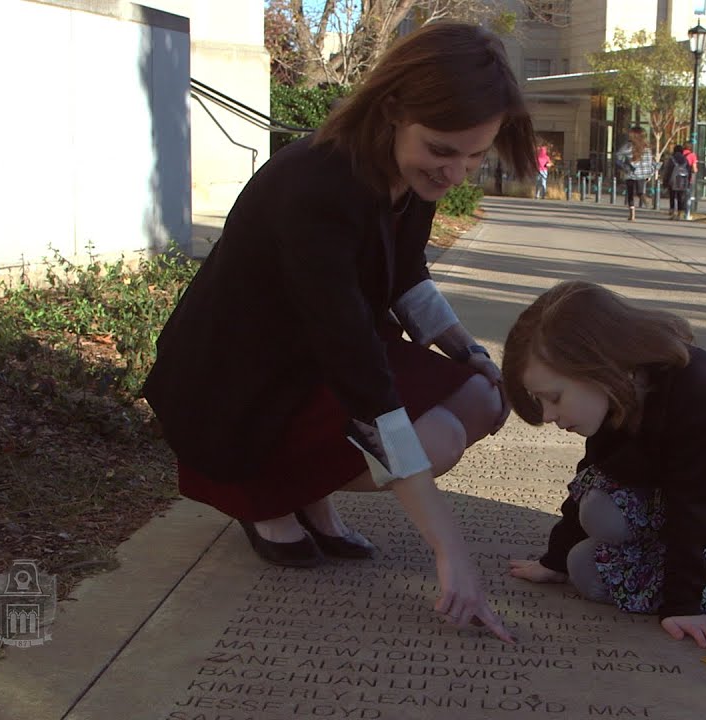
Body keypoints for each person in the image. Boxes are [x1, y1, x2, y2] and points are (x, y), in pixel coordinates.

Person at [142, 23, 537, 642]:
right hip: (237, 386)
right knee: (430, 437)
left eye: (474, 155)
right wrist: (449, 552)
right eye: (443, 150)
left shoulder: (409, 170)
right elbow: (362, 381)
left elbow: (406, 276)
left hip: (317, 357)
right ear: (392, 111)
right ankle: (263, 491)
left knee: (483, 397)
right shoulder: (318, 186)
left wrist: (472, 352)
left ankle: (307, 489)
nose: (457, 172)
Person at [501, 281, 706, 650]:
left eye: (554, 398)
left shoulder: (703, 397)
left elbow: (695, 509)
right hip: (668, 494)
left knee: (588, 569)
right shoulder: (618, 389)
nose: (549, 416)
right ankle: (632, 553)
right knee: (592, 519)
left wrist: (682, 606)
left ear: (598, 367)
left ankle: (662, 568)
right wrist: (554, 560)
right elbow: (592, 473)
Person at [614, 126, 655, 222]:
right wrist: (650, 173)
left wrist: (623, 166)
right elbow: (649, 162)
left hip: (630, 172)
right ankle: (644, 197)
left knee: (630, 193)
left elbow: (618, 156)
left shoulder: (628, 146)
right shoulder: (647, 147)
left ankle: (632, 214)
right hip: (642, 173)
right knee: (640, 191)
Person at [660, 144, 692, 220]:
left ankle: (672, 212)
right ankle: (679, 214)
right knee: (680, 197)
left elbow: (667, 170)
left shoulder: (671, 159)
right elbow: (689, 170)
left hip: (672, 180)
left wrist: (665, 181)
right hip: (682, 181)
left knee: (672, 196)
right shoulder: (685, 159)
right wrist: (688, 181)